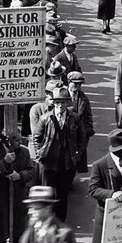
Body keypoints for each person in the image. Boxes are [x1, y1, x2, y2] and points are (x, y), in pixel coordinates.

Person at [33, 87, 85, 221]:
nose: (60, 105)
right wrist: (40, 153)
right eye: (57, 102)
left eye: (63, 102)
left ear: (67, 103)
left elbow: (81, 139)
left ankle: (60, 222)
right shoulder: (45, 118)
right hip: (49, 162)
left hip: (66, 163)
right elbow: (37, 137)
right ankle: (47, 220)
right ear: (53, 103)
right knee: (47, 194)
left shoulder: (75, 118)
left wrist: (77, 155)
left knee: (62, 195)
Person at [67, 71, 94, 174]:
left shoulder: (83, 99)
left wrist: (87, 132)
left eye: (80, 84)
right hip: (66, 133)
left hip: (79, 134)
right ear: (69, 82)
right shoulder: (62, 95)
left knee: (77, 158)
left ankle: (71, 177)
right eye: (75, 83)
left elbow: (88, 117)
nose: (77, 86)